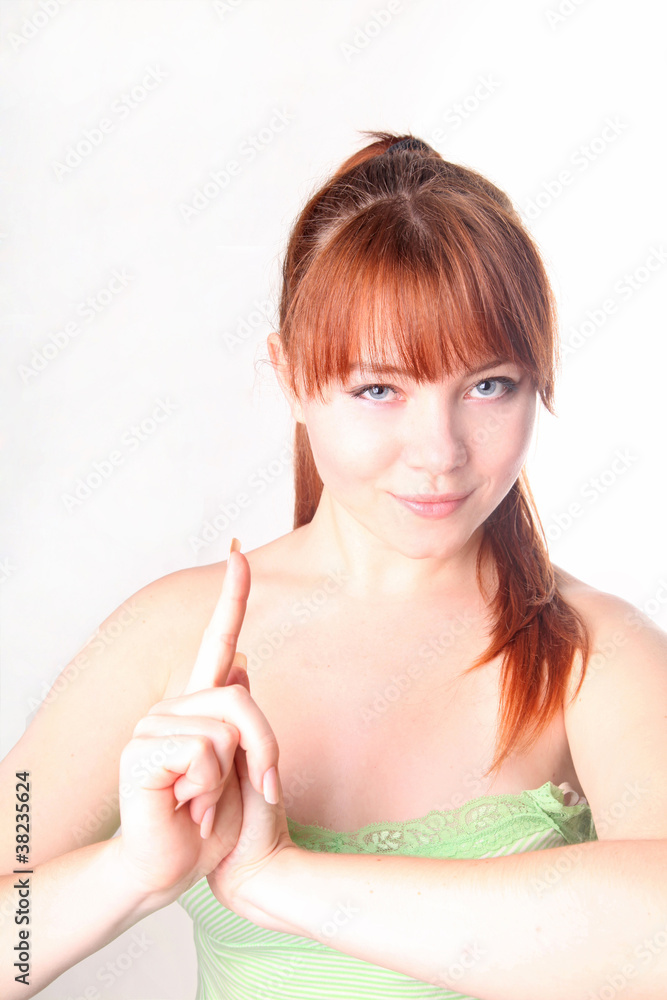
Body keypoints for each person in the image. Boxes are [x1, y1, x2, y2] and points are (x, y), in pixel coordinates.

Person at [1, 131, 666, 1000]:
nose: (438, 454)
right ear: (291, 378)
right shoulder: (167, 632)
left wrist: (279, 879)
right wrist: (127, 871)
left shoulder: (595, 654)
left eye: (488, 385)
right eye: (377, 389)